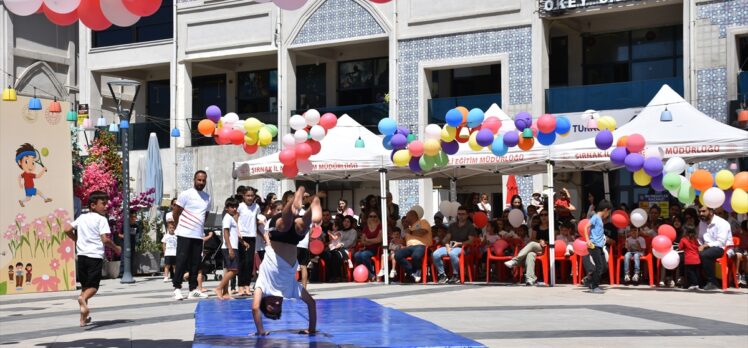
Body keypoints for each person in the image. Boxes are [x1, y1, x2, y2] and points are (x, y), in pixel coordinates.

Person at [252, 187, 319, 336]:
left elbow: (255, 308)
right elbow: (311, 304)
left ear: (265, 300)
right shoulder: (290, 291)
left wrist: (261, 331)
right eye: (277, 306)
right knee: (301, 228)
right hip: (293, 241)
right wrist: (312, 329)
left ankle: (296, 198)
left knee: (284, 225)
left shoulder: (263, 286)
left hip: (277, 236)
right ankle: (312, 206)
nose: (275, 303)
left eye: (270, 305)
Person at [64, 190, 121, 327]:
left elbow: (66, 229)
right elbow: (105, 239)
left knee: (85, 287)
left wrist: (77, 240)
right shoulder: (102, 219)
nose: (106, 206)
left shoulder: (82, 218)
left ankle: (82, 320)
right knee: (93, 287)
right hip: (94, 257)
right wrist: (116, 248)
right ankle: (82, 299)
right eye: (103, 203)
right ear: (93, 205)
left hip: (82, 257)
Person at [172, 171, 211, 300]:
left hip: (198, 235)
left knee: (196, 263)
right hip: (184, 233)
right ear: (194, 180)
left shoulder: (207, 197)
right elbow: (176, 212)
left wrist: (199, 227)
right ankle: (177, 288)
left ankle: (193, 289)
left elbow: (205, 214)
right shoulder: (186, 194)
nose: (201, 183)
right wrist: (179, 226)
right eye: (199, 180)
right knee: (181, 261)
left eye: (203, 180)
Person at [433, 206, 476, 284]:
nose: (461, 216)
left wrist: (459, 243)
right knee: (435, 254)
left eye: (463, 214)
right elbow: (446, 238)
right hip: (451, 246)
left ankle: (456, 275)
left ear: (467, 215)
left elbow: (471, 241)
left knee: (453, 253)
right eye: (459, 214)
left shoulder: (470, 226)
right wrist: (447, 246)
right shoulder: (452, 225)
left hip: (462, 248)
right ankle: (442, 275)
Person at [698, 206, 733, 291]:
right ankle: (696, 281)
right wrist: (699, 244)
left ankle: (713, 282)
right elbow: (699, 238)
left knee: (705, 255)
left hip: (723, 248)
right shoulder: (702, 223)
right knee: (690, 254)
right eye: (699, 212)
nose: (701, 214)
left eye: (703, 211)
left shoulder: (722, 223)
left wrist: (705, 246)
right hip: (708, 247)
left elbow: (721, 242)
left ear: (711, 211)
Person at [215, 197, 243, 300]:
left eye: (236, 207)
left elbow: (234, 234)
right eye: (232, 207)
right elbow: (226, 233)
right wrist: (230, 248)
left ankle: (226, 292)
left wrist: (242, 242)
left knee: (228, 270)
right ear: (227, 208)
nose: (234, 209)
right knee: (234, 270)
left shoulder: (231, 218)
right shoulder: (227, 218)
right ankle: (219, 288)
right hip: (229, 247)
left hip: (232, 246)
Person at [583, 199, 612, 294]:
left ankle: (590, 278)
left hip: (600, 246)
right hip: (593, 245)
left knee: (604, 267)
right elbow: (585, 227)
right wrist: (587, 240)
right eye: (609, 212)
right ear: (606, 210)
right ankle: (594, 286)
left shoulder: (600, 219)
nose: (609, 214)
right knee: (599, 266)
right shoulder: (595, 217)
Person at [394, 210, 432, 283]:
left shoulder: (423, 222)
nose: (406, 219)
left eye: (407, 217)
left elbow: (423, 232)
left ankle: (416, 271)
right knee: (397, 255)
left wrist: (411, 232)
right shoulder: (409, 228)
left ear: (412, 216)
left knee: (416, 256)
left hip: (421, 245)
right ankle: (412, 272)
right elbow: (406, 241)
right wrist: (398, 241)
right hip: (409, 247)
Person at [238, 187, 260, 296]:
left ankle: (247, 285)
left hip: (252, 236)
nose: (250, 198)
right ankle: (240, 286)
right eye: (248, 195)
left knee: (250, 262)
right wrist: (239, 235)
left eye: (252, 196)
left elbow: (256, 220)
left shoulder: (256, 207)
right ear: (243, 196)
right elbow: (236, 220)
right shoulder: (240, 206)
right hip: (242, 236)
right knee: (242, 261)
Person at [323, 216, 357, 282]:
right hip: (336, 249)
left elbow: (351, 241)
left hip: (347, 249)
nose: (346, 223)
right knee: (327, 254)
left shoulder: (353, 231)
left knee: (336, 255)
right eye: (344, 221)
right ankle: (329, 276)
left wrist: (341, 244)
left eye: (348, 222)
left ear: (351, 223)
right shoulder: (340, 231)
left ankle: (336, 276)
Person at [354, 211, 382, 281]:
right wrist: (371, 241)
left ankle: (370, 275)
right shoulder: (366, 227)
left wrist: (368, 240)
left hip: (376, 248)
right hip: (366, 248)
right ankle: (364, 274)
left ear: (377, 217)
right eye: (370, 216)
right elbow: (362, 241)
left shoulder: (380, 226)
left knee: (364, 255)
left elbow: (379, 240)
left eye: (374, 216)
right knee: (357, 255)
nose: (372, 218)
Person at [678, 225, 701, 290]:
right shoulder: (695, 240)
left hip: (689, 259)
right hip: (696, 258)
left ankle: (695, 284)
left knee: (690, 272)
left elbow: (680, 248)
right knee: (696, 272)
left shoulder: (683, 239)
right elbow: (698, 247)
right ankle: (694, 284)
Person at [162, 214, 178, 282]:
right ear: (168, 228)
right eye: (170, 228)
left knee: (175, 266)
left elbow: (178, 245)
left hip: (175, 253)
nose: (172, 229)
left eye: (173, 228)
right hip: (168, 253)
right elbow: (164, 244)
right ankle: (166, 277)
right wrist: (164, 252)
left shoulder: (176, 236)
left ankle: (176, 277)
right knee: (167, 265)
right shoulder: (166, 236)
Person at [734, 220, 748, 286]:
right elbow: (732, 237)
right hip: (739, 250)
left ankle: (744, 275)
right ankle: (737, 274)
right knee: (738, 255)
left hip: (746, 251)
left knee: (746, 257)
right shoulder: (738, 232)